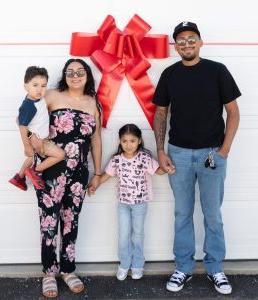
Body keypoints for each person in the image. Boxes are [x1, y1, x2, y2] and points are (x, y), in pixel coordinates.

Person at [153, 21, 241, 295]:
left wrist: (224, 151)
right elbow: (161, 114)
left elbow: (234, 113)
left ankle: (215, 269)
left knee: (213, 215)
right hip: (178, 154)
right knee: (182, 214)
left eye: (192, 39)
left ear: (200, 42)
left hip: (211, 155)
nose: (187, 44)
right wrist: (161, 150)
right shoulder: (169, 74)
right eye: (181, 40)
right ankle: (184, 268)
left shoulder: (217, 72)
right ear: (176, 46)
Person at [35, 58, 102, 298]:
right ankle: (49, 272)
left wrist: (98, 173)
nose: (75, 76)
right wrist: (32, 142)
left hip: (79, 171)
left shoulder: (93, 103)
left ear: (87, 75)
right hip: (51, 169)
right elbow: (29, 118)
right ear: (64, 75)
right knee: (49, 222)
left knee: (70, 221)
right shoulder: (51, 95)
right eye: (70, 72)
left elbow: (96, 139)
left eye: (80, 72)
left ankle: (68, 269)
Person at [89, 124, 171, 281]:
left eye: (132, 140)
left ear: (139, 141)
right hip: (123, 204)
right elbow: (106, 175)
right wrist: (95, 185)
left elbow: (158, 171)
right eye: (124, 141)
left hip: (140, 204)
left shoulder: (145, 158)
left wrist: (168, 167)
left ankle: (138, 264)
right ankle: (124, 263)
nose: (128, 144)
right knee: (124, 234)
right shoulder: (117, 160)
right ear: (120, 142)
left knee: (138, 234)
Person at [9, 66, 65, 190]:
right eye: (35, 85)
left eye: (43, 85)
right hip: (40, 141)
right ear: (26, 87)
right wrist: (27, 146)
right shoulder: (29, 106)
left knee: (31, 157)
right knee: (60, 154)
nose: (40, 89)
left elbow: (19, 120)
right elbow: (22, 126)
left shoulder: (35, 100)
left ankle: (19, 177)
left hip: (38, 138)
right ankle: (36, 170)